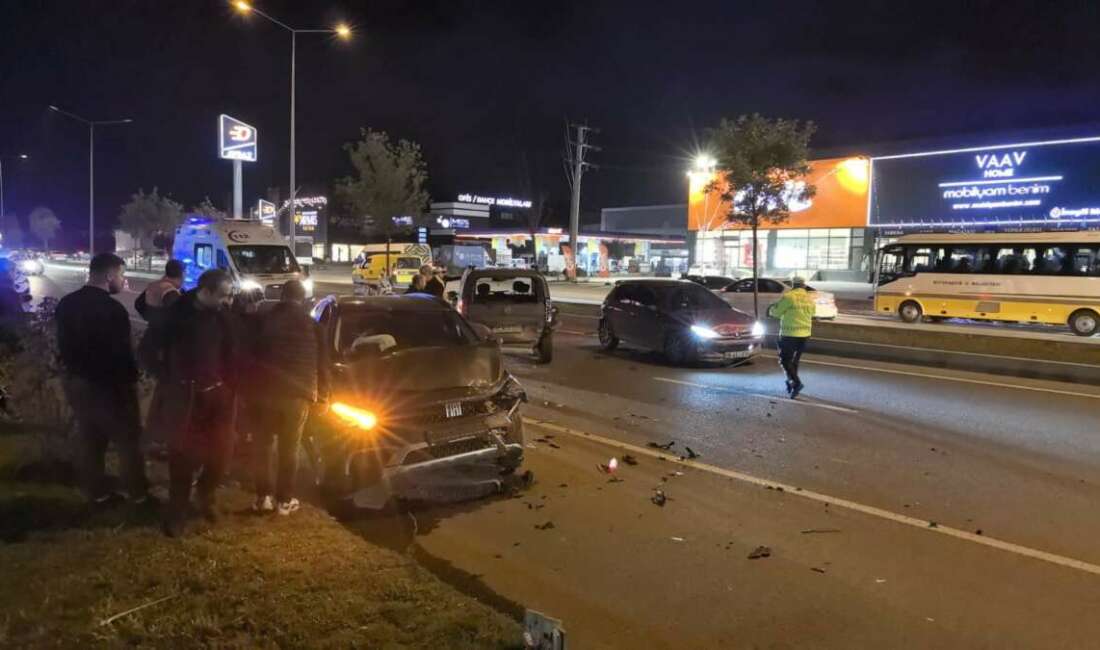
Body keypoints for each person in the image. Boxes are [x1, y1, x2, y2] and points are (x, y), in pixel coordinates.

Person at [55, 253, 151, 507]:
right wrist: (132, 382)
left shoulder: (67, 304)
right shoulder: (112, 309)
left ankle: (96, 493)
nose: (123, 279)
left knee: (91, 439)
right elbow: (121, 352)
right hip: (111, 386)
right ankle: (138, 494)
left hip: (78, 383)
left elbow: (63, 345)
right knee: (128, 441)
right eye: (121, 274)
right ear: (109, 276)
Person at [159, 269, 238, 537]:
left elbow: (234, 352)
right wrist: (172, 379)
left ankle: (205, 496)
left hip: (218, 399)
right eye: (225, 296)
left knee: (221, 455)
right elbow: (151, 350)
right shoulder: (176, 315)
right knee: (182, 458)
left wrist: (228, 386)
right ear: (206, 292)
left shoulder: (223, 317)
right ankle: (177, 512)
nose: (229, 301)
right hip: (186, 399)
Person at [250, 280, 328, 516]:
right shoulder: (312, 325)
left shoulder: (264, 319)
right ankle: (284, 501)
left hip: (265, 391)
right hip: (298, 394)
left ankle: (262, 497)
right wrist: (323, 396)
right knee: (289, 447)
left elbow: (251, 354)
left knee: (262, 445)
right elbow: (322, 365)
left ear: (282, 295)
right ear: (302, 298)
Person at [768, 276, 815, 399]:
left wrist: (773, 308)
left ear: (793, 285)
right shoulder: (809, 298)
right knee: (794, 362)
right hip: (805, 335)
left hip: (790, 334)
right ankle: (792, 382)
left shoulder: (789, 297)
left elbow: (776, 313)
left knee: (784, 360)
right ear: (804, 285)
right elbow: (813, 313)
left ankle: (797, 383)